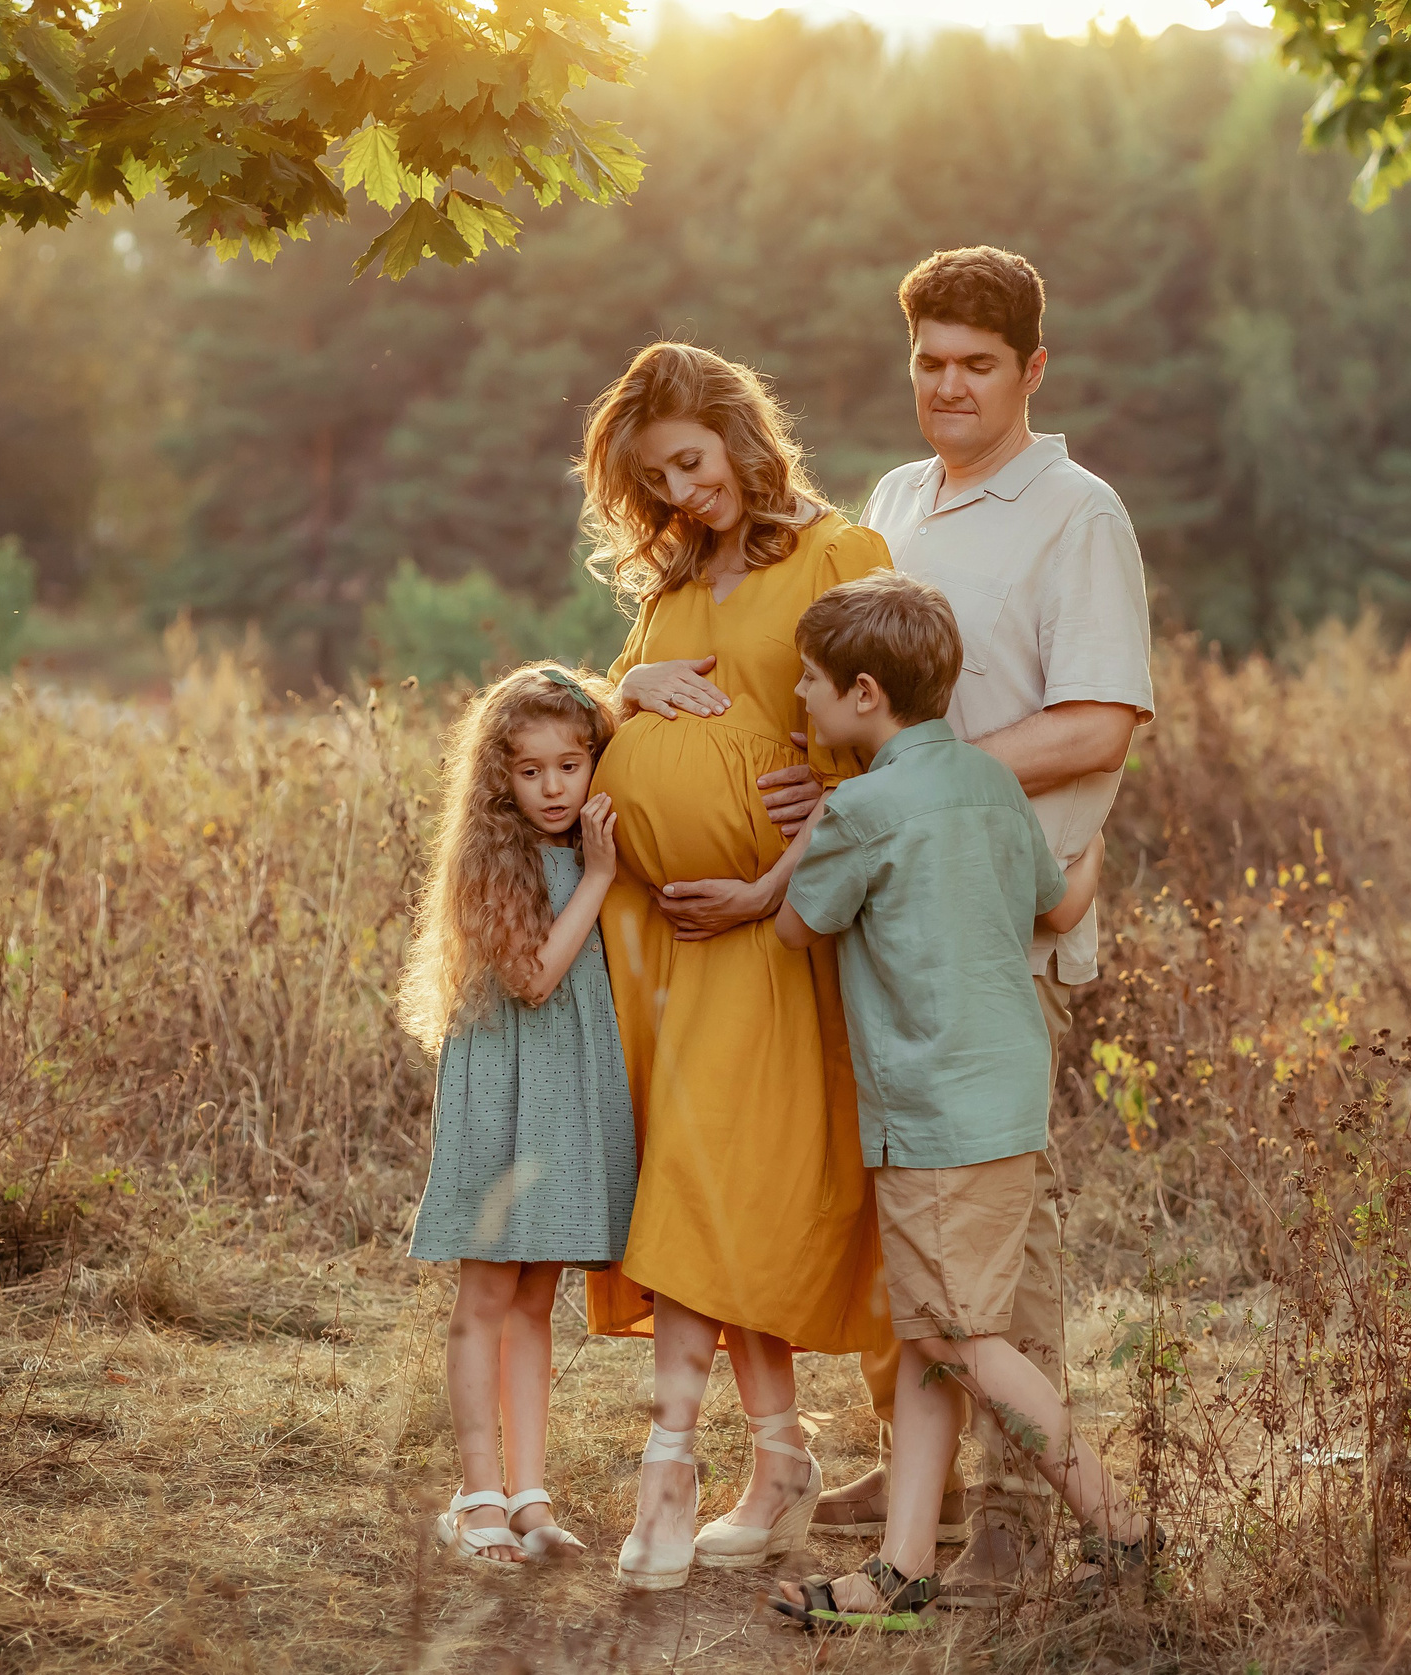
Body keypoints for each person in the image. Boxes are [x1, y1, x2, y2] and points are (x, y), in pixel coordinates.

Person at [744, 246, 1153, 1602]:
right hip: (897, 924)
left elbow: (1099, 719)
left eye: (980, 364)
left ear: (1033, 369)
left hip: (995, 916)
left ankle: (1028, 1518)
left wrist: (928, 791)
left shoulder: (1076, 514)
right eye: (930, 361)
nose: (951, 387)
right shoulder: (900, 496)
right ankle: (919, 1489)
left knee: (996, 1244)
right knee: (918, 1234)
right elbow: (876, 696)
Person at [574, 342, 896, 1591]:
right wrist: (622, 689)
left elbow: (891, 739)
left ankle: (677, 1470)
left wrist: (796, 845)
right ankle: (779, 1461)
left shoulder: (838, 555)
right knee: (701, 1182)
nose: (684, 494)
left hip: (767, 928)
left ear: (742, 434)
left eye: (695, 464)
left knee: (715, 1175)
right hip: (655, 934)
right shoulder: (666, 584)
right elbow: (622, 731)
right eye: (657, 479)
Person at [397, 664, 639, 1568]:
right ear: (500, 775)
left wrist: (640, 684)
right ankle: (475, 1494)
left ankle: (530, 1493)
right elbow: (536, 978)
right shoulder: (492, 854)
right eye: (530, 770)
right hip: (505, 1089)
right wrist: (602, 878)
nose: (552, 787)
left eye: (570, 766)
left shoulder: (588, 842)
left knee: (537, 1296)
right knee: (487, 1293)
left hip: (566, 1085)